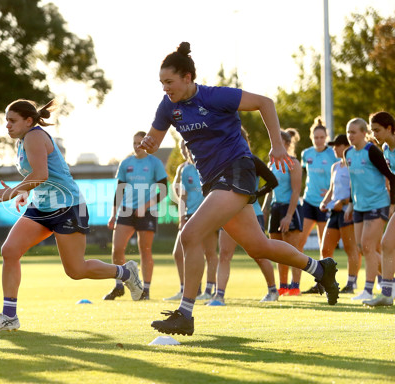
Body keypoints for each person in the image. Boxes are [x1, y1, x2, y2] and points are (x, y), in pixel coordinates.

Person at [139, 42, 339, 336]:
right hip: (214, 182)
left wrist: (277, 145)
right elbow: (153, 140)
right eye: (161, 83)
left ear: (187, 78)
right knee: (259, 246)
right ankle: (321, 269)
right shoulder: (168, 106)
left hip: (237, 171)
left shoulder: (216, 96)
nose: (165, 88)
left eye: (169, 82)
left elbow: (265, 103)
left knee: (190, 234)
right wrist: (148, 144)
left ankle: (185, 313)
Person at [0, 99, 143, 333]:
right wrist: (25, 192)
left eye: (12, 120)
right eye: (6, 120)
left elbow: (41, 174)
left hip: (69, 207)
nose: (7, 125)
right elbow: (39, 177)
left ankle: (125, 272)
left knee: (76, 270)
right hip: (42, 208)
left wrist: (12, 192)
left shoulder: (35, 136)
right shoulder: (23, 141)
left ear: (28, 120)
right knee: (10, 251)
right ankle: (9, 316)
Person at [213, 127, 279, 306]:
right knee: (224, 255)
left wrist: (256, 194)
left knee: (259, 253)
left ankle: (273, 290)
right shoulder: (221, 162)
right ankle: (219, 296)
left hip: (252, 214)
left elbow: (273, 181)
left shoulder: (252, 160)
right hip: (228, 215)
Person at [103, 131, 167, 301]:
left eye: (140, 143)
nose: (137, 146)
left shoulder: (155, 163)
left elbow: (164, 191)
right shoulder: (126, 163)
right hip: (126, 210)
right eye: (134, 143)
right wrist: (113, 214)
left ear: (146, 144)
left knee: (145, 251)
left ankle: (145, 290)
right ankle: (119, 286)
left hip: (147, 212)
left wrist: (145, 206)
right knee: (117, 249)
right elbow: (119, 191)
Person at [342, 117, 395, 301]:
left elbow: (390, 176)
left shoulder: (373, 151)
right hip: (359, 206)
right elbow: (352, 181)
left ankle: (369, 289)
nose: (350, 136)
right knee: (363, 248)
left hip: (378, 203)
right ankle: (390, 283)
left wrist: (391, 204)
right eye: (348, 132)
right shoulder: (348, 153)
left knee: (369, 246)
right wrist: (350, 203)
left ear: (364, 133)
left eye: (353, 132)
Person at [165, 140, 217, 302]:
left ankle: (209, 290)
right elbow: (181, 195)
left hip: (208, 214)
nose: (186, 151)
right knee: (178, 253)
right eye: (183, 148)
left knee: (209, 253)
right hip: (190, 214)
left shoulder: (209, 165)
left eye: (187, 148)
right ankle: (186, 288)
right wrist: (182, 218)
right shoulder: (185, 169)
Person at [299, 119, 338, 295]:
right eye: (316, 137)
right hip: (308, 201)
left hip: (324, 204)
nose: (319, 140)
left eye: (322, 137)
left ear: (326, 137)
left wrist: (331, 192)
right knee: (299, 241)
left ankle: (323, 281)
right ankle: (294, 283)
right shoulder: (306, 153)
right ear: (311, 137)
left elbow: (339, 175)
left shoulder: (332, 154)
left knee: (325, 246)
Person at [262, 130, 304, 297]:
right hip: (275, 209)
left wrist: (288, 215)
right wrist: (264, 210)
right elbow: (270, 191)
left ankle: (295, 286)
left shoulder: (293, 163)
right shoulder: (272, 163)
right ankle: (283, 286)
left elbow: (296, 191)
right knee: (277, 252)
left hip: (290, 208)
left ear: (286, 144)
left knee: (292, 251)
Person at [318, 134, 361, 294]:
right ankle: (326, 282)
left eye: (337, 145)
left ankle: (351, 283)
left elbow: (356, 188)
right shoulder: (335, 166)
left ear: (345, 146)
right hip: (334, 213)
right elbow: (331, 189)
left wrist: (342, 202)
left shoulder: (352, 165)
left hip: (347, 212)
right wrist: (325, 201)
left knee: (351, 249)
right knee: (325, 249)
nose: (334, 148)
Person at [364, 111, 395, 306]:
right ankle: (386, 294)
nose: (374, 134)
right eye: (372, 130)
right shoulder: (385, 148)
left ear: (390, 128)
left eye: (377, 130)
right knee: (386, 244)